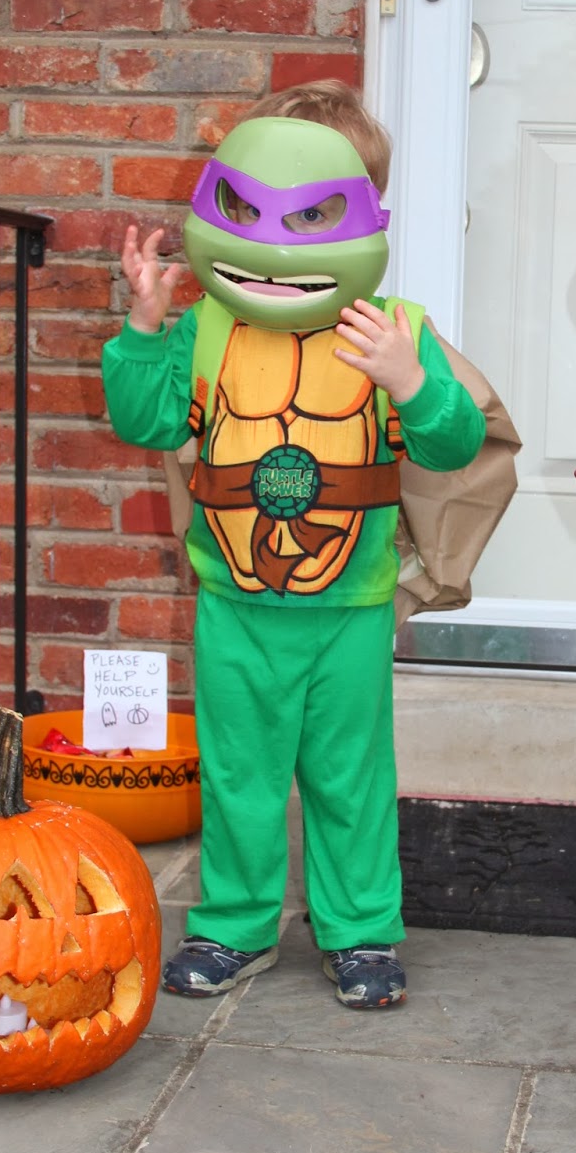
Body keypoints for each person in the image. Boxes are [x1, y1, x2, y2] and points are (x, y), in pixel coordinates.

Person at [102, 80, 485, 1010]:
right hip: (234, 603)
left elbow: (454, 445)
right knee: (241, 773)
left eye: (315, 216)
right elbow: (148, 423)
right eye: (258, 212)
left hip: (349, 605)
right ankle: (235, 925)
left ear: (365, 213)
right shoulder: (207, 328)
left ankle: (361, 931)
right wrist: (145, 326)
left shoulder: (392, 330)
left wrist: (411, 382)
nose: (282, 245)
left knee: (350, 777)